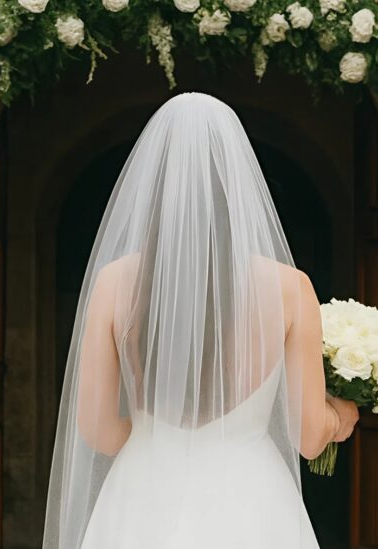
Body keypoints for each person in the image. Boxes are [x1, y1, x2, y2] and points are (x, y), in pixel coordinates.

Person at [43, 93, 359, 549]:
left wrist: (156, 438)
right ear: (240, 184)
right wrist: (341, 414)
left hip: (142, 495)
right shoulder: (291, 288)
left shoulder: (114, 282)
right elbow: (309, 438)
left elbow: (96, 430)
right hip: (252, 501)